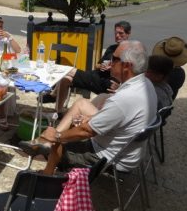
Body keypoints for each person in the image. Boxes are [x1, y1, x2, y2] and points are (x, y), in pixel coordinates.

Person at [19, 40, 157, 175]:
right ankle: (45, 142)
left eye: (114, 59)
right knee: (82, 104)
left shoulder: (125, 98)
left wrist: (57, 136)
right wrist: (92, 118)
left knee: (58, 141)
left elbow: (87, 131)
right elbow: (121, 118)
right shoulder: (145, 84)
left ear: (127, 65)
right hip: (127, 153)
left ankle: (47, 172)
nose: (110, 62)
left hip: (108, 159)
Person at [43, 21, 131, 114]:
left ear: (128, 34)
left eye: (121, 33)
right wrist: (101, 66)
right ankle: (58, 112)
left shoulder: (130, 52)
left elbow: (131, 73)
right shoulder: (111, 48)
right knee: (65, 79)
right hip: (95, 76)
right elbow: (97, 65)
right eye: (116, 33)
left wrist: (119, 83)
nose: (117, 36)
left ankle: (52, 95)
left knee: (69, 70)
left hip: (106, 83)